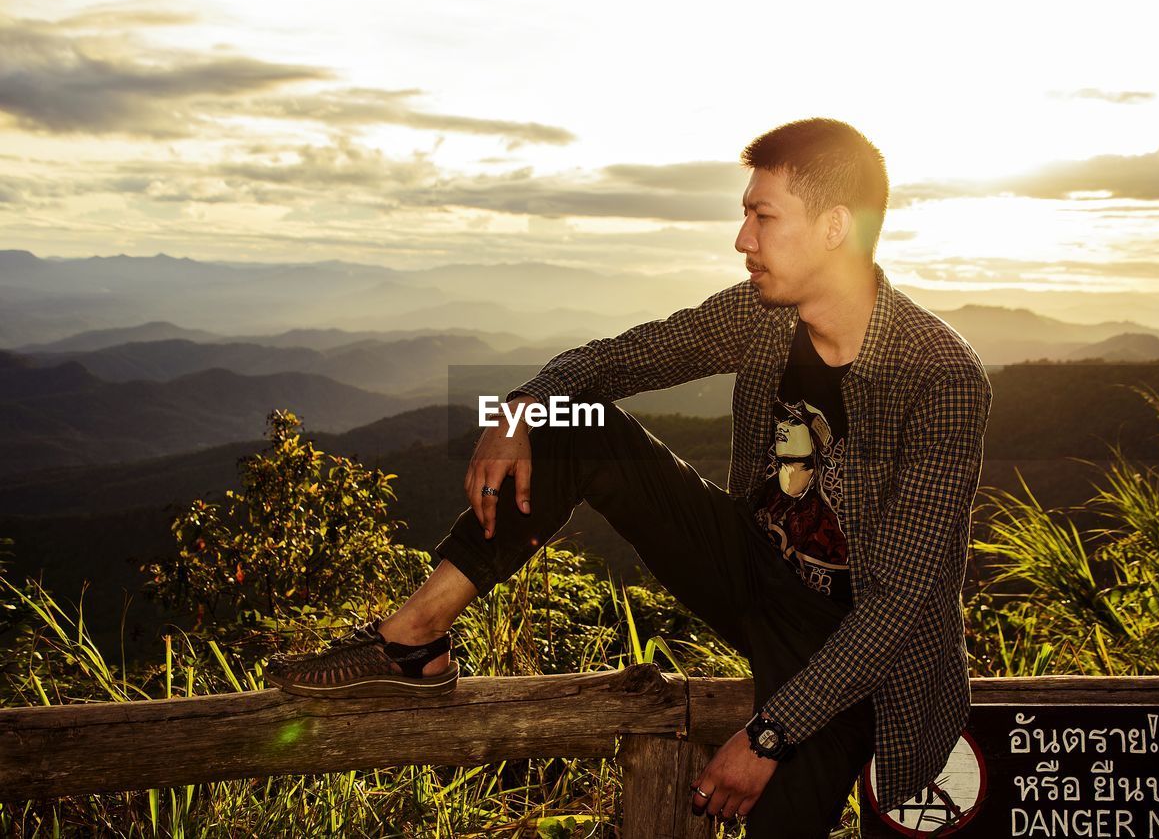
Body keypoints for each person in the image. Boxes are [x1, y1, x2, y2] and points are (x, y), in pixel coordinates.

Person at [266, 117, 993, 837]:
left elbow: (897, 608)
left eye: (762, 217)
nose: (742, 240)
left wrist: (768, 736)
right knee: (576, 422)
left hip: (857, 651)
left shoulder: (941, 377)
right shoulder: (763, 319)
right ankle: (414, 638)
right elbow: (627, 356)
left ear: (835, 226)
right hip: (755, 572)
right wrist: (522, 406)